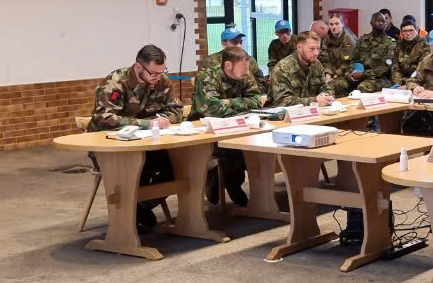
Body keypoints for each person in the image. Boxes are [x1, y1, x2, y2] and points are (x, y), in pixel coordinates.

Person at [89, 44, 182, 231]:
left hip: (149, 144)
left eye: (161, 72)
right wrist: (149, 124)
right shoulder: (116, 83)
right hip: (111, 149)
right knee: (136, 168)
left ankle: (141, 206)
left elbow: (175, 110)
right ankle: (127, 219)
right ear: (138, 67)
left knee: (180, 165)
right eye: (153, 73)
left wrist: (163, 120)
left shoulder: (162, 81)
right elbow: (104, 119)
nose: (157, 78)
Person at [189, 45, 261, 206]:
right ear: (228, 65)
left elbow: (256, 101)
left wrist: (229, 102)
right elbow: (211, 107)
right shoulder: (208, 75)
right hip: (204, 132)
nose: (247, 72)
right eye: (243, 68)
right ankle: (228, 183)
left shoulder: (245, 75)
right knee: (233, 150)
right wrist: (240, 108)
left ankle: (224, 180)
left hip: (235, 127)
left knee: (251, 149)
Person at [269, 31, 335, 107]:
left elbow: (326, 89)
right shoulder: (282, 68)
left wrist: (324, 97)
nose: (316, 53)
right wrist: (314, 101)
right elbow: (282, 101)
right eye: (312, 49)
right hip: (280, 115)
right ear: (299, 47)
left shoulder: (317, 64)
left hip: (309, 113)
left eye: (318, 49)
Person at [320, 13, 356, 92]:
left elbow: (347, 62)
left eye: (337, 24)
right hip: (332, 72)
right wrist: (328, 75)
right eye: (331, 24)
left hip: (347, 73)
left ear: (342, 24)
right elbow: (326, 60)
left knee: (330, 88)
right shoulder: (326, 40)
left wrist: (335, 76)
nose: (334, 27)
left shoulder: (348, 40)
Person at [390, 16, 427, 86]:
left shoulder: (424, 45)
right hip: (401, 82)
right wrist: (398, 84)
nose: (408, 33)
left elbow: (421, 70)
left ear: (417, 30)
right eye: (404, 31)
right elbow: (395, 69)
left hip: (418, 82)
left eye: (411, 30)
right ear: (401, 33)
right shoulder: (398, 45)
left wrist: (409, 84)